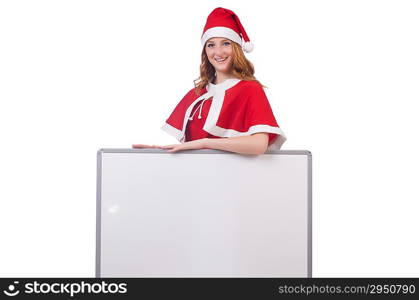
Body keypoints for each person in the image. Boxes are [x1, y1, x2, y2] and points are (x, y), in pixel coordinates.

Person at [133, 7, 286, 155]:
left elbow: (259, 144)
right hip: (200, 177)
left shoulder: (250, 89)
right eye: (211, 45)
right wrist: (158, 153)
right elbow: (190, 151)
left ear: (237, 48)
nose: (218, 52)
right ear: (205, 51)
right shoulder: (196, 95)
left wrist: (206, 143)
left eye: (226, 43)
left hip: (238, 178)